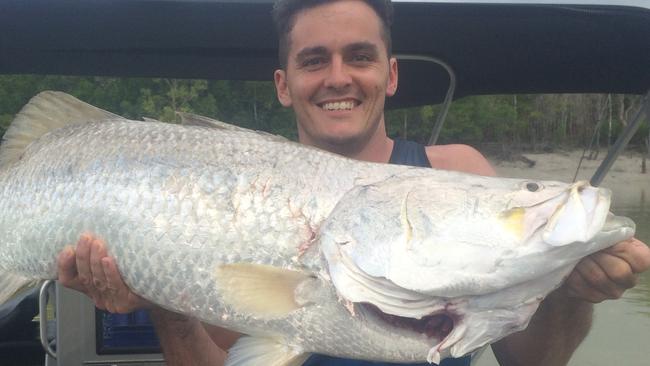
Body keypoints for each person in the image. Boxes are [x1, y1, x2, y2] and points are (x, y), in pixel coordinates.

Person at [57, 1, 650, 365]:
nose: (338, 78)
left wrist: (571, 295)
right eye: (314, 60)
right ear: (284, 84)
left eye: (359, 56)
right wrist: (167, 302)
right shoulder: (236, 199)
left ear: (389, 75)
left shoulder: (459, 172)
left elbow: (534, 365)